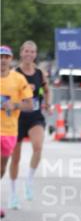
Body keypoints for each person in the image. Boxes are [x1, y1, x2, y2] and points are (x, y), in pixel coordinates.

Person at [8, 40, 51, 208]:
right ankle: (13, 194)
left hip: (35, 116)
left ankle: (29, 181)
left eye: (32, 52)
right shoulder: (14, 73)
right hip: (17, 118)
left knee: (38, 147)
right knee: (15, 158)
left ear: (35, 54)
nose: (29, 54)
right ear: (21, 53)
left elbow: (47, 90)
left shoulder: (40, 73)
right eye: (26, 51)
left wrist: (48, 103)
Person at [0, 46, 34, 218]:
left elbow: (30, 104)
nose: (3, 60)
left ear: (11, 59)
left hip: (10, 130)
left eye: (6, 57)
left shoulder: (18, 79)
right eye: (0, 56)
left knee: (1, 168)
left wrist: (14, 105)